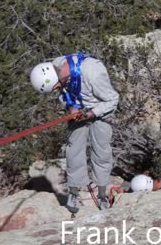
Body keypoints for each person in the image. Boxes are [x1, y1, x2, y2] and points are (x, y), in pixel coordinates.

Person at [30, 52, 119, 213]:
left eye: (55, 86)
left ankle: (102, 194)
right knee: (73, 151)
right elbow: (64, 94)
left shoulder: (93, 71)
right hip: (78, 112)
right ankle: (74, 192)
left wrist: (92, 113)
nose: (56, 89)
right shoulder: (58, 66)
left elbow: (112, 99)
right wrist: (71, 108)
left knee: (101, 153)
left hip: (100, 111)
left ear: (55, 77)